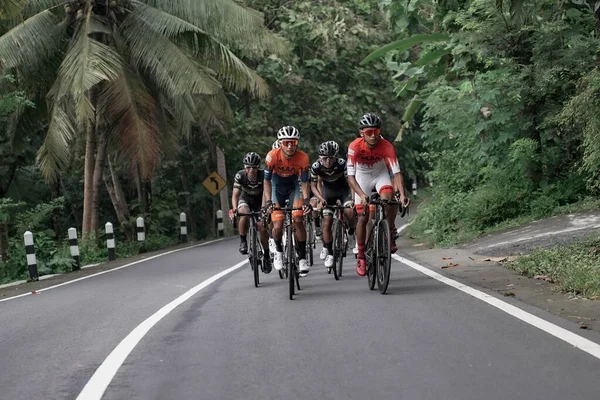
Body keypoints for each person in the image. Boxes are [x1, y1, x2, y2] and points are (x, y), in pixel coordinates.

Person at [346, 113, 410, 277]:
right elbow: (351, 177)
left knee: (389, 200)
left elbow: (396, 173)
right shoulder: (354, 147)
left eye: (376, 131)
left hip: (380, 173)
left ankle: (389, 230)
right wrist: (361, 194)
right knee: (363, 217)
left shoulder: (387, 146)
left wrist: (402, 195)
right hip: (361, 177)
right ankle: (361, 256)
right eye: (369, 132)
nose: (373, 135)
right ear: (362, 133)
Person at [264, 126, 312, 276]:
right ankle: (278, 251)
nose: (290, 146)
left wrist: (306, 200)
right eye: (286, 143)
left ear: (297, 143)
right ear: (280, 143)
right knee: (277, 225)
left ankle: (303, 258)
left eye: (293, 142)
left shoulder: (303, 157)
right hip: (276, 187)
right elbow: (266, 181)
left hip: (293, 187)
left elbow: (304, 182)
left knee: (298, 219)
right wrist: (268, 201)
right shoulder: (272, 156)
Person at [310, 141, 356, 269]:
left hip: (343, 191)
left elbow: (350, 181)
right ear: (320, 158)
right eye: (325, 158)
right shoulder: (316, 167)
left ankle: (351, 232)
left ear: (335, 157)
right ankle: (330, 253)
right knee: (327, 222)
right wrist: (320, 199)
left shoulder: (342, 164)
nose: (328, 161)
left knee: (350, 212)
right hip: (327, 194)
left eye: (331, 158)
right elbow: (313, 186)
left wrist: (352, 198)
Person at [230, 152, 272, 272]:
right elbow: (235, 195)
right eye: (248, 167)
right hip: (246, 199)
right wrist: (234, 209)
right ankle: (243, 241)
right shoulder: (240, 175)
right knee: (244, 214)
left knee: (262, 228)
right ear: (245, 167)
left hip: (260, 201)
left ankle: (267, 256)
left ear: (258, 167)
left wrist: (264, 209)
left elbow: (266, 193)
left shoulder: (264, 175)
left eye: (254, 167)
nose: (251, 170)